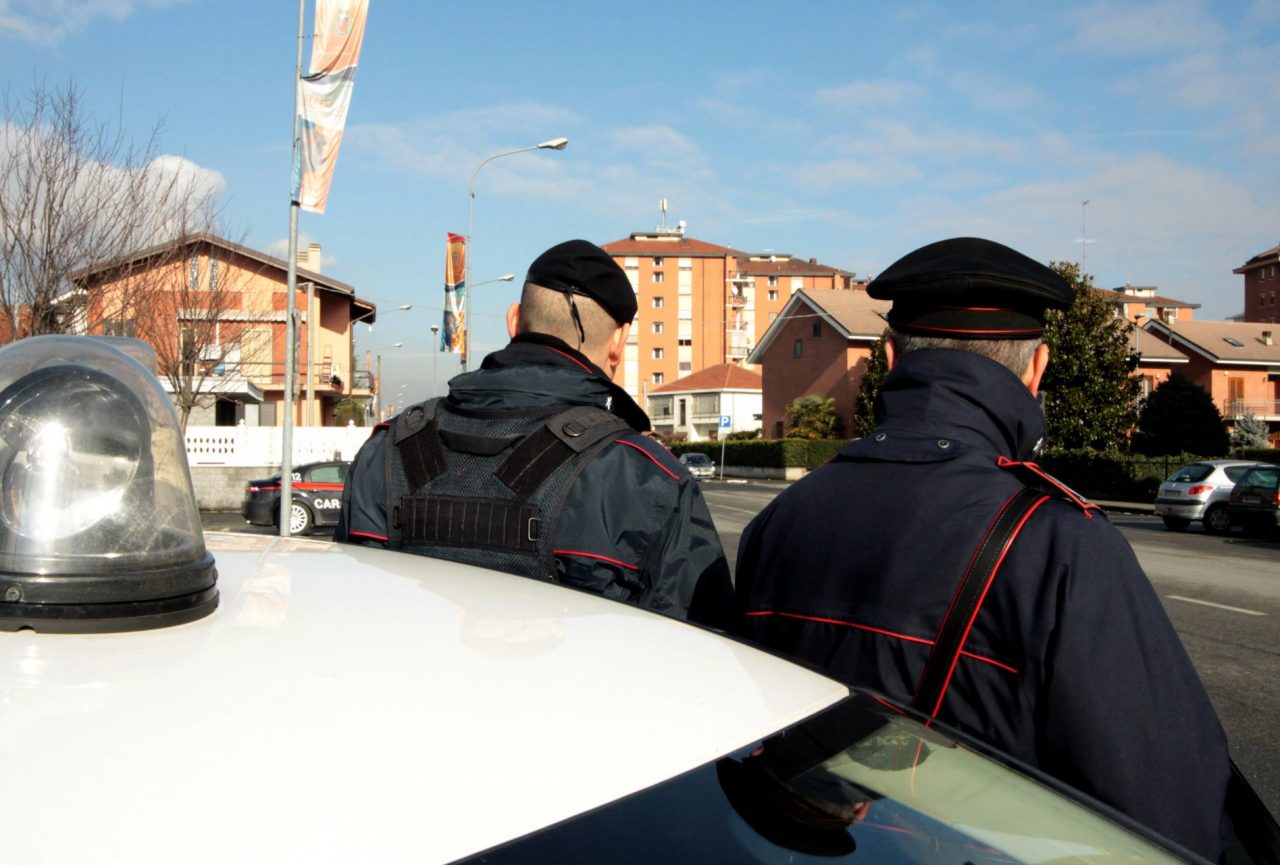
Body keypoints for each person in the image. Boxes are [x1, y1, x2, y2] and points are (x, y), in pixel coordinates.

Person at [732, 237, 1230, 860]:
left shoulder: (782, 517)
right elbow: (1166, 808)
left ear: (889, 357)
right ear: (1037, 367)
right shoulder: (1055, 539)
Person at [338, 239, 733, 628]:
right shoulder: (649, 478)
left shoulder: (388, 448)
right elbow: (702, 652)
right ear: (618, 342)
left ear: (514, 322)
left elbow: (345, 615)